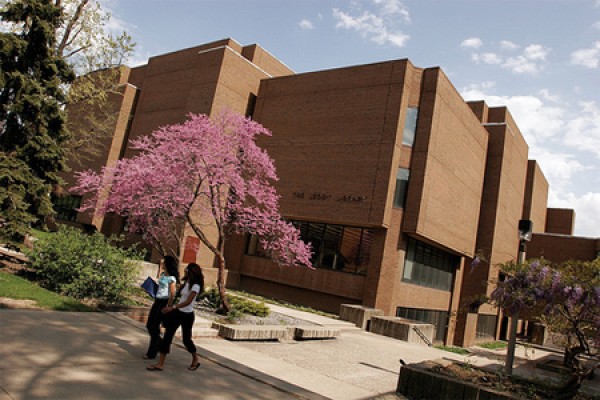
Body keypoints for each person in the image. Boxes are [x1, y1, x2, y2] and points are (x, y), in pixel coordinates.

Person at [147, 262, 204, 371]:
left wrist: (172, 307)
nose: (185, 271)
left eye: (187, 270)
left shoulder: (196, 286)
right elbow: (180, 297)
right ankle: (160, 364)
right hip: (178, 313)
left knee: (186, 340)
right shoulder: (186, 282)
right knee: (167, 336)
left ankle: (195, 358)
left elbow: (188, 301)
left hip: (187, 315)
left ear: (192, 272)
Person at [144, 255, 179, 360]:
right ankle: (160, 344)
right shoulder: (163, 274)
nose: (162, 264)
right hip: (157, 300)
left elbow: (172, 293)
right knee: (150, 325)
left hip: (164, 302)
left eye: (164, 263)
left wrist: (168, 306)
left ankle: (152, 352)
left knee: (155, 326)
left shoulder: (171, 278)